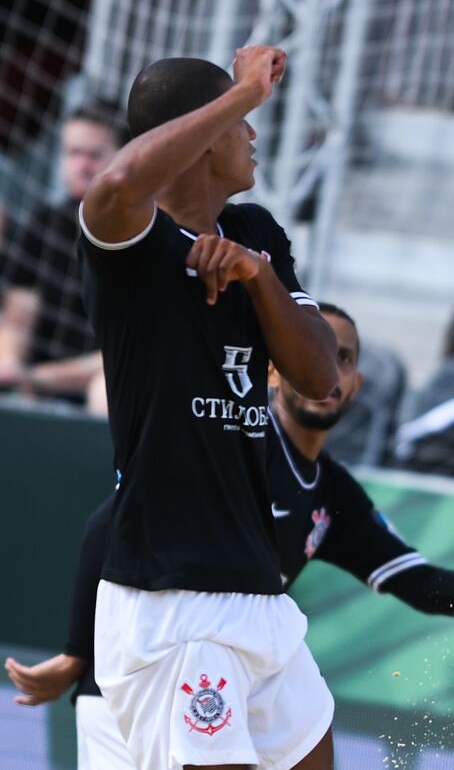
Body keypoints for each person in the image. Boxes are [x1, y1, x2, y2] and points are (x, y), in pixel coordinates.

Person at [4, 303, 454, 768]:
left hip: (227, 676)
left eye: (344, 358)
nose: (328, 370)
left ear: (357, 383)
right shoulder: (235, 446)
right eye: (313, 351)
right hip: (136, 680)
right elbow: (108, 523)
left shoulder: (333, 491)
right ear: (273, 369)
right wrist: (75, 653)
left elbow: (418, 582)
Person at [77, 46, 340, 770]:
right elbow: (117, 180)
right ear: (202, 129)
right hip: (172, 599)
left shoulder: (256, 233)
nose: (252, 130)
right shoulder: (130, 240)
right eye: (240, 119)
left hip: (256, 589)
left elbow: (318, 375)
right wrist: (243, 90)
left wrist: (258, 280)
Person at [0, 102, 123, 410]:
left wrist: (43, 378)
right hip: (37, 380)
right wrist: (10, 364)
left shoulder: (148, 230)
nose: (82, 165)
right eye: (73, 153)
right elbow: (19, 317)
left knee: (105, 390)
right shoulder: (44, 225)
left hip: (106, 379)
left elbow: (138, 348)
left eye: (94, 155)